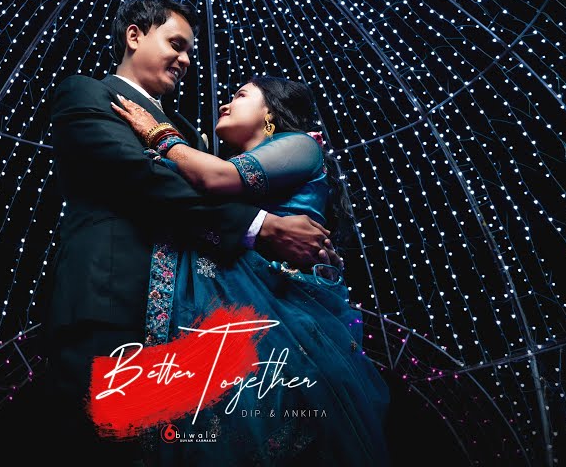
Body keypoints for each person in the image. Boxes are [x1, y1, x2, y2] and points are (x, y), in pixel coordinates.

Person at [43, 0, 341, 462]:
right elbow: (140, 178)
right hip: (109, 301)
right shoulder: (87, 93)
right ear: (134, 36)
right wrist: (261, 226)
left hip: (188, 327)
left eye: (189, 52)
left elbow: (213, 189)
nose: (185, 61)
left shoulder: (189, 131)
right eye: (175, 44)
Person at [110, 75, 391, 464]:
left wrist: (160, 135)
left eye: (240, 95)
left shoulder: (301, 145)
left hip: (282, 309)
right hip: (238, 302)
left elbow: (214, 178)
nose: (225, 104)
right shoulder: (227, 169)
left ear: (270, 111)